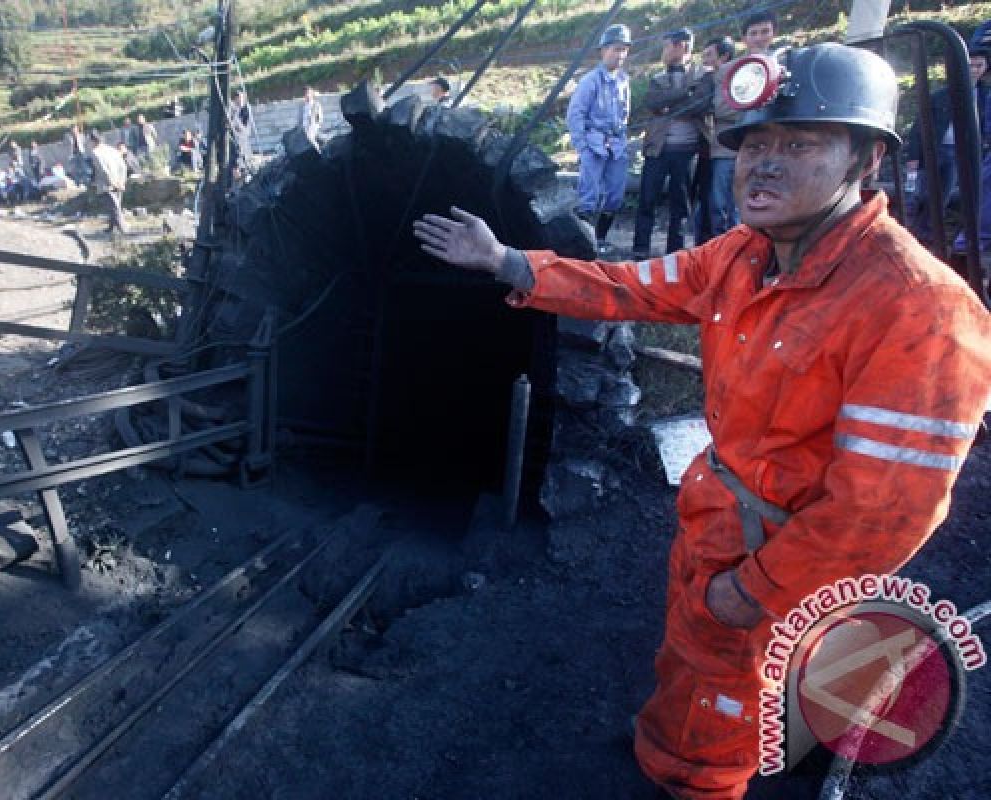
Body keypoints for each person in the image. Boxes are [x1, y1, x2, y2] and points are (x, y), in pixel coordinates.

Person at [414, 43, 991, 799]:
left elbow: (881, 513)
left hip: (785, 561)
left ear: (866, 160)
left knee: (735, 688)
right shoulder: (744, 256)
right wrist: (510, 264)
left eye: (800, 143)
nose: (765, 164)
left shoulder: (920, 309)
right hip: (717, 519)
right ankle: (671, 743)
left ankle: (699, 780)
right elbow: (629, 286)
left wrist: (754, 589)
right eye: (753, 144)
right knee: (691, 659)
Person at [632, 28, 713, 259]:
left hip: (687, 151)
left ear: (682, 46)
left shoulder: (703, 75)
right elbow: (652, 102)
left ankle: (675, 253)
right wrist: (685, 93)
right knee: (647, 200)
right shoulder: (658, 78)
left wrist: (669, 107)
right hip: (657, 148)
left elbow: (700, 105)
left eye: (667, 46)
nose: (664, 52)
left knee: (681, 205)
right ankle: (640, 250)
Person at [904, 46, 989, 246]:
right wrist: (913, 155)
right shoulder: (941, 95)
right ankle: (911, 231)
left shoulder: (983, 97)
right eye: (971, 65)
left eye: (979, 65)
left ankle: (929, 236)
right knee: (920, 194)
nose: (975, 70)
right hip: (933, 150)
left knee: (944, 195)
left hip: (959, 152)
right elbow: (919, 125)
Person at [566, 24, 632, 249]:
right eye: (615, 49)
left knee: (615, 195)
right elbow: (575, 114)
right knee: (589, 196)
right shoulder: (590, 81)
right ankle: (586, 243)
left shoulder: (624, 81)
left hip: (617, 144)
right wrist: (582, 146)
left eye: (624, 49)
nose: (620, 55)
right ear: (603, 51)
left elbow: (625, 114)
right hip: (594, 144)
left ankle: (601, 239)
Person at [698, 35, 739, 243]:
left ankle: (731, 247)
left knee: (727, 203)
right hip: (717, 148)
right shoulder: (711, 78)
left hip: (732, 150)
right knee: (717, 203)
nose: (704, 60)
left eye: (709, 55)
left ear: (724, 56)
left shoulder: (732, 73)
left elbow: (730, 107)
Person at [90, 130, 129, 235]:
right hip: (119, 181)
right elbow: (123, 166)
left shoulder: (95, 153)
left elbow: (103, 170)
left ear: (93, 141)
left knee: (114, 207)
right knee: (116, 206)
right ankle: (112, 227)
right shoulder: (112, 149)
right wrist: (122, 181)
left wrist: (113, 182)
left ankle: (123, 229)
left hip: (107, 184)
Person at [228, 89, 254, 179]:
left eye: (242, 98)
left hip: (243, 143)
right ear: (235, 99)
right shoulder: (233, 111)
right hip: (236, 145)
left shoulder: (245, 109)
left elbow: (245, 129)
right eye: (240, 98)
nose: (242, 100)